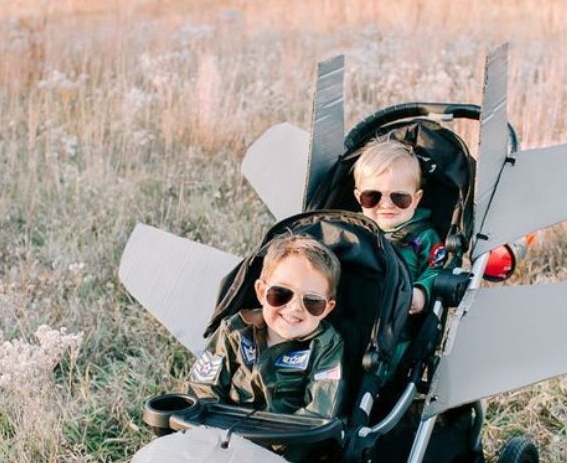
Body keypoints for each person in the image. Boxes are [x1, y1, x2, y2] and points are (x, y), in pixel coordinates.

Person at [186, 234, 344, 419]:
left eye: (312, 301)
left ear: (327, 308)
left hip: (285, 441)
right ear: (262, 292)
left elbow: (319, 413)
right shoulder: (236, 330)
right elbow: (202, 389)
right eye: (282, 293)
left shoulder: (325, 346)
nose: (294, 308)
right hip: (222, 433)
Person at [353, 138, 445, 315]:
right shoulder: (350, 231)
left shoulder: (424, 236)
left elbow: (436, 269)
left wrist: (421, 291)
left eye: (399, 197)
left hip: (398, 323)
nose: (386, 205)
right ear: (358, 197)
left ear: (416, 199)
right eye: (372, 196)